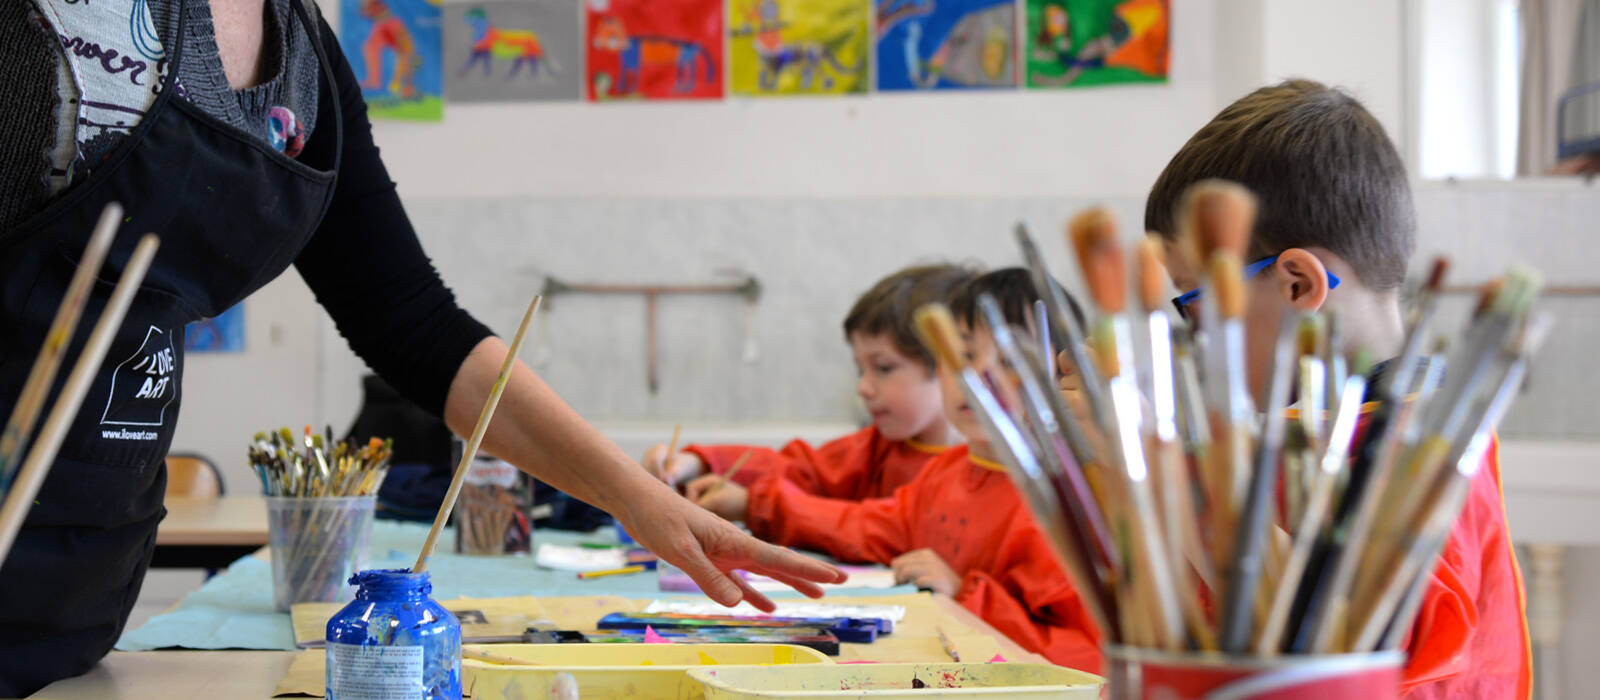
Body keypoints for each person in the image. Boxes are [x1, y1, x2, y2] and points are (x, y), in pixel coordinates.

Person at [0, 1, 840, 694]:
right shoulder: (47, 22)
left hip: (84, 578)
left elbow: (415, 324)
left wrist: (641, 501)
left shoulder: (303, 55)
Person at [1143, 79, 1530, 697]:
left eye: (1194, 302)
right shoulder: (1313, 426)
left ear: (1297, 284)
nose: (1194, 337)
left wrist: (1163, 472)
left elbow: (1338, 649)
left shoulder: (1424, 451)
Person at [738, 269, 1103, 670]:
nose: (978, 376)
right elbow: (861, 527)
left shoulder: (1068, 503)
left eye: (1010, 360)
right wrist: (752, 503)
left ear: (1063, 382)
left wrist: (965, 595)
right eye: (962, 355)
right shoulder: (943, 473)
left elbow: (1089, 658)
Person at [644, 264, 974, 524]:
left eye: (884, 368)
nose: (863, 387)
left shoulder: (982, 467)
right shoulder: (873, 449)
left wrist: (755, 505)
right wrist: (699, 463)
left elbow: (879, 526)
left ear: (949, 366)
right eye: (860, 369)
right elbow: (795, 468)